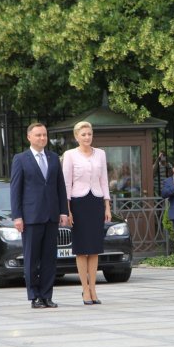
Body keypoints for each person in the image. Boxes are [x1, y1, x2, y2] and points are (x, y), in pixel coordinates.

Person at [10, 122, 69, 309]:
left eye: (44, 135)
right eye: (38, 135)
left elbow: (60, 186)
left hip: (51, 215)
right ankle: (34, 295)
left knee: (49, 259)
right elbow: (15, 190)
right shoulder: (21, 159)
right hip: (31, 216)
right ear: (29, 137)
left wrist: (63, 211)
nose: (42, 138)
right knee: (32, 258)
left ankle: (47, 295)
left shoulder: (53, 158)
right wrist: (17, 216)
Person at [62, 121, 112, 305]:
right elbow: (66, 183)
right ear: (76, 136)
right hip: (78, 202)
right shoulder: (70, 155)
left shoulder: (101, 154)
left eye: (89, 134)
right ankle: (85, 289)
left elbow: (104, 180)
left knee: (95, 249)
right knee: (82, 250)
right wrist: (67, 210)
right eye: (83, 134)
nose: (87, 137)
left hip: (96, 201)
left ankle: (94, 289)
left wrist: (107, 206)